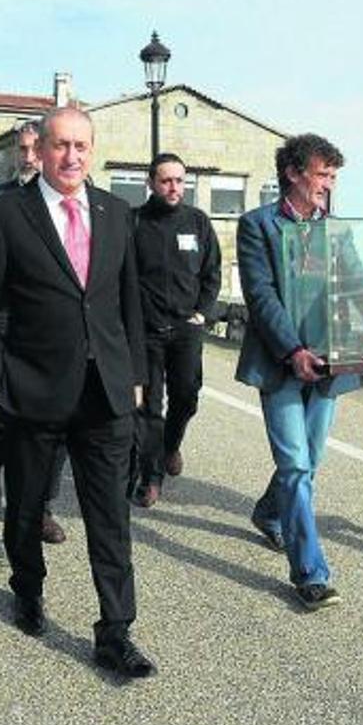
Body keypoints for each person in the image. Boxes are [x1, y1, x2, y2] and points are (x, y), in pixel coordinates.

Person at [0, 107, 155, 677]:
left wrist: (137, 378)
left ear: (92, 151)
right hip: (33, 393)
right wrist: (2, 381)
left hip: (106, 394)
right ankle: (27, 588)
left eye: (82, 146)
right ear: (40, 150)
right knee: (25, 508)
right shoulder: (3, 215)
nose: (72, 157)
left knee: (110, 516)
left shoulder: (117, 214)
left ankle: (115, 631)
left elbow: (128, 307)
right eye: (61, 145)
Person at [236, 133, 363, 610]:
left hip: (332, 361)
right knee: (295, 465)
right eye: (322, 174)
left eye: (333, 176)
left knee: (308, 459)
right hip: (281, 362)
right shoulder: (257, 226)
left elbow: (361, 285)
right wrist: (292, 351)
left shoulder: (336, 230)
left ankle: (270, 513)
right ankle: (310, 572)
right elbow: (261, 295)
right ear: (293, 173)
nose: (328, 184)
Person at [0, 119, 68, 544]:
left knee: (61, 423)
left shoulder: (74, 198)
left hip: (56, 333)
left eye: (36, 149)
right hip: (12, 332)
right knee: (12, 417)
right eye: (24, 150)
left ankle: (41, 507)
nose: (30, 158)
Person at [131, 152, 221, 507]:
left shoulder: (197, 221)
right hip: (147, 331)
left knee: (187, 397)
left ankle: (171, 445)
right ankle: (151, 477)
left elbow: (212, 271)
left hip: (186, 330)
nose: (174, 187)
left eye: (180, 181)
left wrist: (203, 311)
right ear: (151, 183)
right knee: (148, 408)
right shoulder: (134, 222)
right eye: (166, 180)